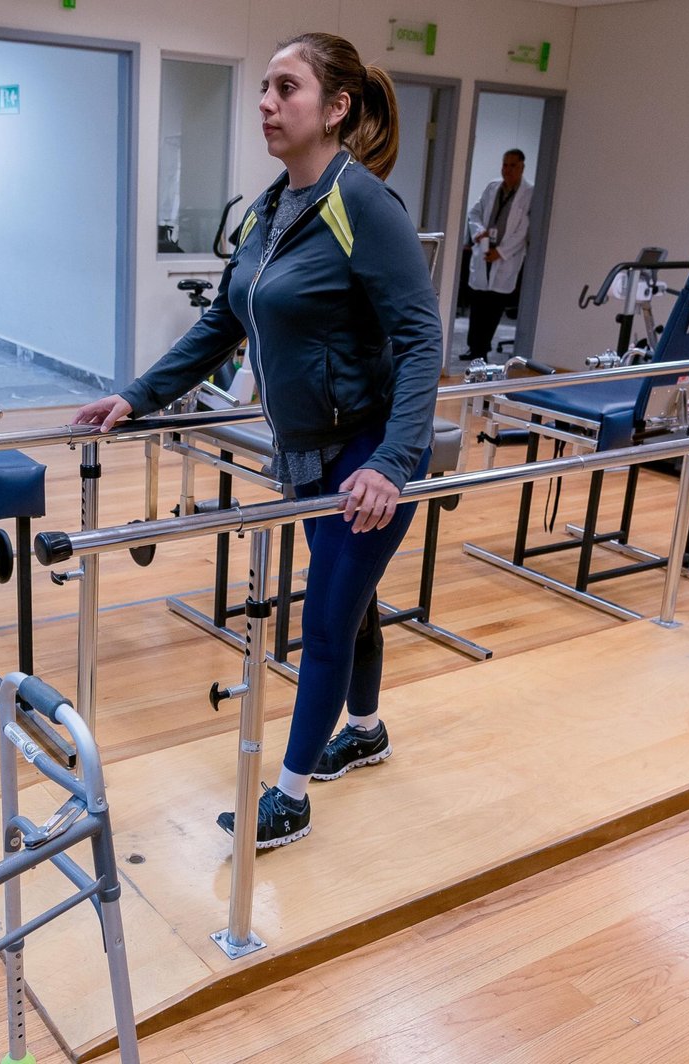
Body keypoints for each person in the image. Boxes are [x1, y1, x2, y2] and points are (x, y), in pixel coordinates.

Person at [72, 31, 442, 850]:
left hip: (367, 449)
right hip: (306, 448)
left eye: (286, 88)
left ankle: (291, 797)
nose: (267, 104)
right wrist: (137, 396)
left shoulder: (364, 204)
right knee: (350, 603)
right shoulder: (271, 209)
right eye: (265, 89)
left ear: (336, 107)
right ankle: (366, 732)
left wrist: (391, 462)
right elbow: (223, 321)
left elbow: (423, 339)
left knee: (326, 618)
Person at [464, 148, 533, 362]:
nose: (507, 170)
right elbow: (474, 213)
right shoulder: (492, 187)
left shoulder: (529, 193)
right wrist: (478, 232)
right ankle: (473, 347)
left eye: (513, 165)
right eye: (505, 165)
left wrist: (500, 252)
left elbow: (522, 231)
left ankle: (482, 351)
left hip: (504, 258)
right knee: (477, 304)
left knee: (493, 308)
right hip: (484, 251)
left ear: (522, 167)